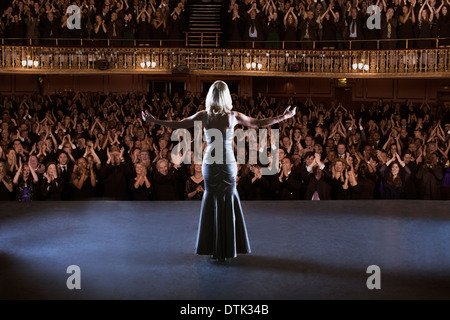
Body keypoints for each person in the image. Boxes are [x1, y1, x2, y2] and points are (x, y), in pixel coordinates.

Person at [142, 80, 296, 261]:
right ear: (227, 97)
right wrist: (283, 117)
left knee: (211, 198)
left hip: (211, 163)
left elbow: (179, 124)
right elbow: (259, 123)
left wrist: (155, 120)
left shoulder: (204, 115)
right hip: (227, 163)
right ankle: (229, 247)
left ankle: (212, 245)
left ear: (210, 97)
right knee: (228, 199)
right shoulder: (234, 116)